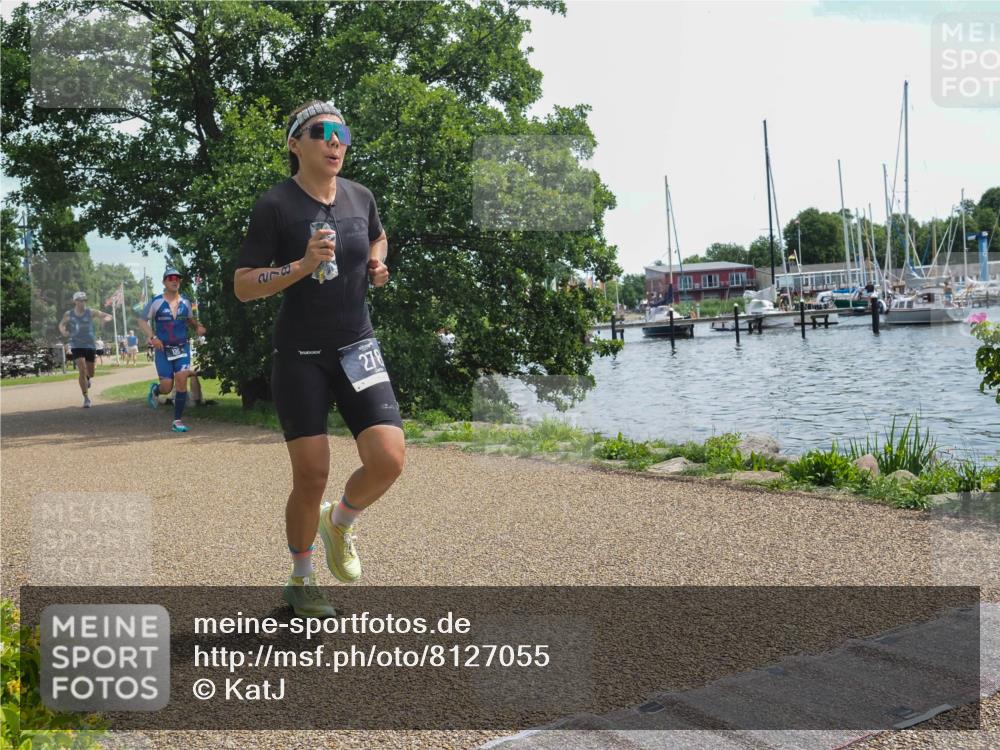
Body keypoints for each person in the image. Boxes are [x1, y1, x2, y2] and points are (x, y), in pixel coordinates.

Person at [234, 100, 403, 618]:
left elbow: (377, 234)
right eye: (321, 132)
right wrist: (302, 265)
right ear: (295, 144)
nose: (335, 141)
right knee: (311, 475)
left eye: (342, 133)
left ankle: (340, 523)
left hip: (358, 346)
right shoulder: (276, 205)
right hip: (301, 354)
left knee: (389, 459)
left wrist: (377, 261)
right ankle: (301, 577)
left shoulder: (360, 197)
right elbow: (243, 286)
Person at [137, 268, 206, 432]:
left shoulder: (186, 302)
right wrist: (153, 337)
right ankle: (156, 389)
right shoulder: (156, 302)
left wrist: (197, 326)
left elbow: (189, 320)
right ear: (164, 282)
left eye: (177, 278)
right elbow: (141, 321)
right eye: (171, 278)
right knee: (167, 387)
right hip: (163, 350)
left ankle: (177, 420)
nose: (175, 281)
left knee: (182, 380)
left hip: (182, 348)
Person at [58, 291, 114, 407]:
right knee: (82, 369)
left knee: (91, 373)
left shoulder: (90, 312)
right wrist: (63, 331)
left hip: (90, 345)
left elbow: (107, 315)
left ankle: (88, 378)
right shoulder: (69, 314)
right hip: (76, 344)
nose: (82, 302)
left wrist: (105, 319)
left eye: (84, 300)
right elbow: (61, 324)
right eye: (80, 300)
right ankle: (86, 397)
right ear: (75, 301)